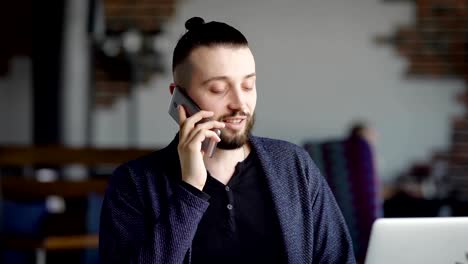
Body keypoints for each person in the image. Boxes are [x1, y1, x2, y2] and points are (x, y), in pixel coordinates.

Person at [99, 17, 356, 264]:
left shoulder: (293, 164)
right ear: (179, 97)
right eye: (218, 89)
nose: (240, 104)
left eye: (248, 86)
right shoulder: (133, 183)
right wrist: (190, 191)